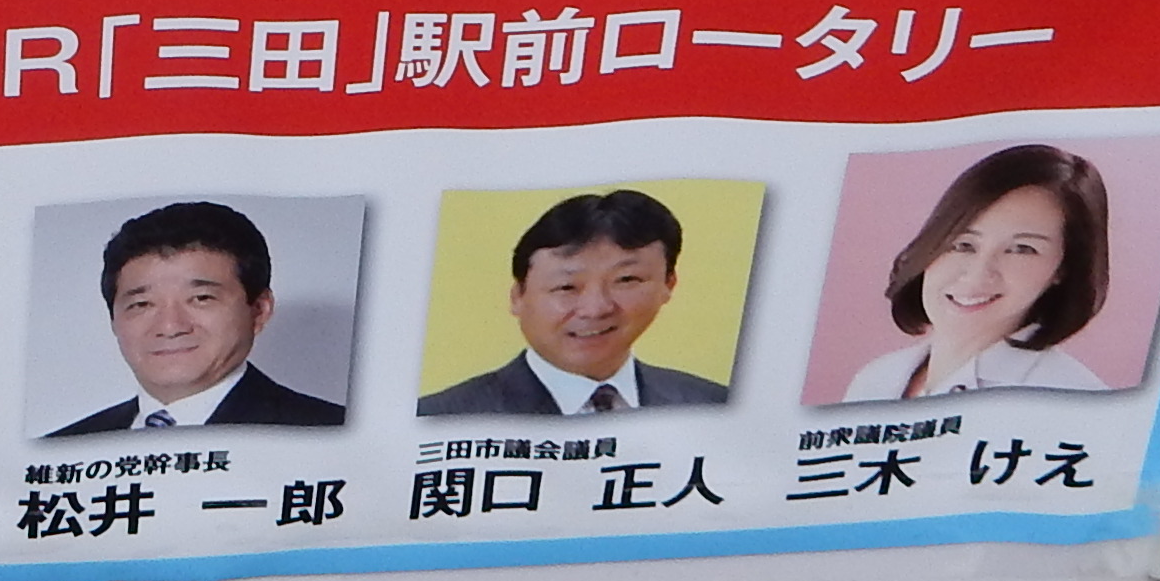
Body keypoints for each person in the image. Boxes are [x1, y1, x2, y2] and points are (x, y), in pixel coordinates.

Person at [41, 200, 347, 435]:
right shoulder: (62, 448)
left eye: (201, 299)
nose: (170, 326)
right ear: (114, 320)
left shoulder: (330, 433)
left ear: (259, 310)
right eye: (142, 304)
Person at [419, 188, 728, 414]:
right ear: (518, 296)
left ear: (668, 284)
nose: (596, 308)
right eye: (566, 287)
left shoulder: (714, 405)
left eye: (626, 280)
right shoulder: (441, 418)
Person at [843, 143, 1116, 399]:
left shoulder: (1072, 398)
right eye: (962, 244)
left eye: (1022, 249)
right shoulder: (876, 379)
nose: (978, 274)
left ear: (1063, 267)